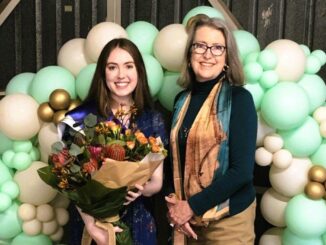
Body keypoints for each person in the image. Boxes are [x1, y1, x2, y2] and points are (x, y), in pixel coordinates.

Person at [59, 38, 168, 245]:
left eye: (129, 66)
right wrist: (92, 226)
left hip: (138, 222)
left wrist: (139, 189)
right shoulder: (81, 118)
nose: (121, 75)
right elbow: (71, 182)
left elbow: (157, 182)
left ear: (139, 72)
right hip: (91, 225)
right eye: (112, 67)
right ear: (103, 73)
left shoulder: (152, 120)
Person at [165, 14, 257, 244]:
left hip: (228, 222)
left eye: (217, 47)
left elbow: (241, 172)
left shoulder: (239, 99)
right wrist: (175, 206)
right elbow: (174, 159)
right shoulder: (181, 101)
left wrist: (191, 206)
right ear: (189, 55)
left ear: (227, 57)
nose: (208, 54)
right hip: (187, 222)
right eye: (200, 46)